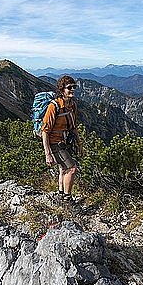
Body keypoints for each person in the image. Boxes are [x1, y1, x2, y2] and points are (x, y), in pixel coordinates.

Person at [41, 75, 83, 203]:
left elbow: (74, 127)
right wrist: (47, 154)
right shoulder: (54, 106)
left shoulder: (72, 105)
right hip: (55, 142)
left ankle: (61, 194)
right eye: (69, 87)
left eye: (74, 87)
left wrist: (79, 144)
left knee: (64, 169)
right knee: (71, 169)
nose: (72, 89)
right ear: (62, 89)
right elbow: (45, 131)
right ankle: (67, 200)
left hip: (66, 141)